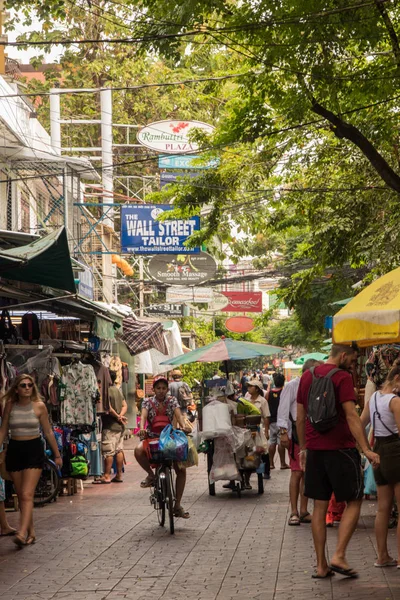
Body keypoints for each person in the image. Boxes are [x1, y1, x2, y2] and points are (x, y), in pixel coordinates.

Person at [297, 344, 380, 579]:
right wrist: (366, 448)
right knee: (354, 500)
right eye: (353, 360)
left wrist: (303, 448)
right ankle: (339, 555)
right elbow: (352, 416)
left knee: (319, 507)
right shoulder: (342, 377)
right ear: (343, 356)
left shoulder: (307, 376)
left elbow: (300, 417)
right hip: (341, 450)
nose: (354, 364)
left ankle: (321, 566)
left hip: (314, 451)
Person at [0, 374, 62, 547]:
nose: (27, 388)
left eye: (29, 385)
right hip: (15, 450)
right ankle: (31, 532)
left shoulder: (39, 406)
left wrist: (57, 455)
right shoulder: (10, 406)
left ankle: (21, 532)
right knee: (21, 495)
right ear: (16, 389)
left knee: (27, 494)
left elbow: (48, 432)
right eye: (23, 385)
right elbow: (3, 429)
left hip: (34, 450)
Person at [134, 374, 191, 518]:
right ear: (153, 389)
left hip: (170, 438)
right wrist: (141, 428)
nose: (161, 390)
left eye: (163, 388)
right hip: (152, 437)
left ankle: (177, 505)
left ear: (167, 389)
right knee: (138, 450)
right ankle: (151, 475)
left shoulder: (172, 401)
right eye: (158, 388)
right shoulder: (147, 402)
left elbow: (179, 415)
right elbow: (144, 417)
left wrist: (184, 426)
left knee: (181, 470)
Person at [360, 363, 400, 567]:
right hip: (395, 451)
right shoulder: (395, 401)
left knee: (383, 508)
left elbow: (360, 424)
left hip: (378, 451)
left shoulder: (373, 398)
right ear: (397, 379)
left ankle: (382, 556)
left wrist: (367, 450)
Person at [277, 359, 320, 526]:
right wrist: (283, 433)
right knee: (296, 472)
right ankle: (294, 511)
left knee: (307, 473)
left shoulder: (316, 385)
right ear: (307, 371)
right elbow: (282, 411)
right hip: (295, 432)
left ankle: (304, 510)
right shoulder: (292, 386)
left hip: (311, 431)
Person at [94, 370, 127, 485]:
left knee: (108, 451)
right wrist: (121, 416)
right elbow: (124, 405)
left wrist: (118, 416)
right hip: (120, 426)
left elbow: (108, 407)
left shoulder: (106, 391)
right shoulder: (117, 390)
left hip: (110, 425)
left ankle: (107, 475)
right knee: (119, 450)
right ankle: (118, 475)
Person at [244, 378, 270, 489]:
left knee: (263, 450)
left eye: (251, 386)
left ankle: (265, 471)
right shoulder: (246, 400)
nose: (249, 388)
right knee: (248, 453)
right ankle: (246, 479)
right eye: (248, 386)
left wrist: (266, 430)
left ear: (257, 389)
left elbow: (266, 417)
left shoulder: (262, 401)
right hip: (247, 431)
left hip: (259, 430)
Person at [267, 373, 289, 470]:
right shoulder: (284, 392)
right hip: (281, 421)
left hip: (271, 421)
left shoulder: (268, 393)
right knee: (281, 442)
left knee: (272, 441)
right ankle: (282, 463)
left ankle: (271, 464)